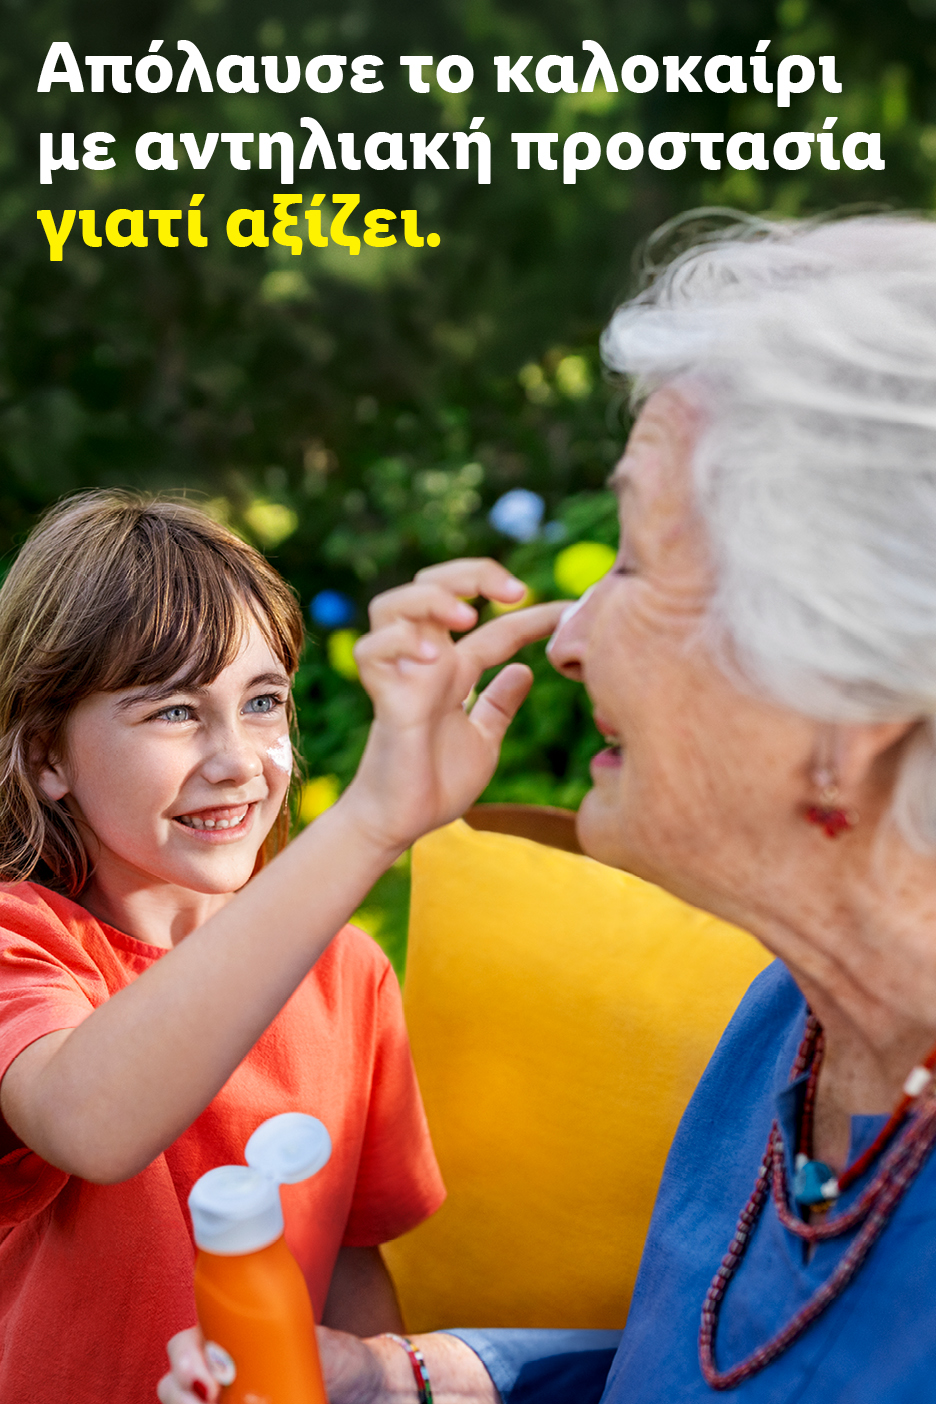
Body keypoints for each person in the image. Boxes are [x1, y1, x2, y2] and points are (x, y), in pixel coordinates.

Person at [160, 210, 936, 1403]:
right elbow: (704, 1367)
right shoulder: (793, 1015)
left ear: (848, 705)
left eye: (636, 562)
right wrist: (409, 1379)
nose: (569, 640)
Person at [0, 492, 563, 1403]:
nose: (239, 760)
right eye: (174, 712)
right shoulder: (20, 943)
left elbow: (348, 1262)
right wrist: (370, 821)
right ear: (46, 757)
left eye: (263, 702)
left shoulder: (350, 976)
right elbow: (90, 1123)